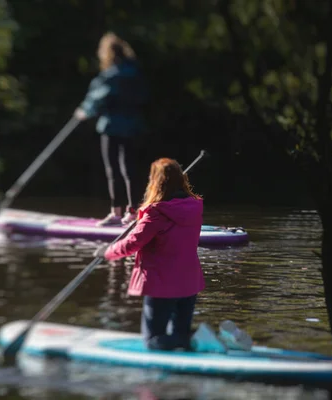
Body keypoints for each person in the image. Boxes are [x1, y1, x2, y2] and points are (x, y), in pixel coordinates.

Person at [94, 157, 207, 350]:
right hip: (189, 282)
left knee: (152, 341)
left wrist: (107, 252)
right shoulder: (194, 207)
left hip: (161, 284)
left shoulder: (156, 213)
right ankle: (189, 339)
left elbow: (132, 244)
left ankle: (193, 339)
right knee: (178, 334)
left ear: (155, 182)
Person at [74, 32, 148, 227]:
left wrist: (84, 111)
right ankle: (134, 213)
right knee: (130, 169)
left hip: (112, 126)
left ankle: (116, 214)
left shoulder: (110, 75)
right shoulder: (136, 72)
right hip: (133, 126)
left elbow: (97, 98)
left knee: (113, 170)